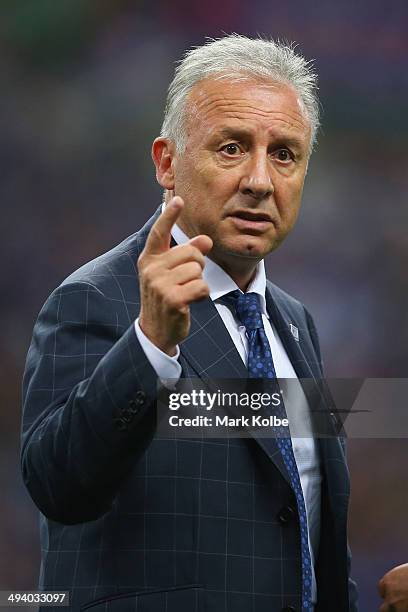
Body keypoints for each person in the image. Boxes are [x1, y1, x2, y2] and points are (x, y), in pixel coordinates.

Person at [21, 34, 358, 612]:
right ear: (167, 162)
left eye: (284, 154)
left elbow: (295, 525)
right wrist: (149, 346)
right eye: (231, 148)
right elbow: (58, 485)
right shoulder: (94, 298)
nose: (260, 180)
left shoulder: (296, 324)